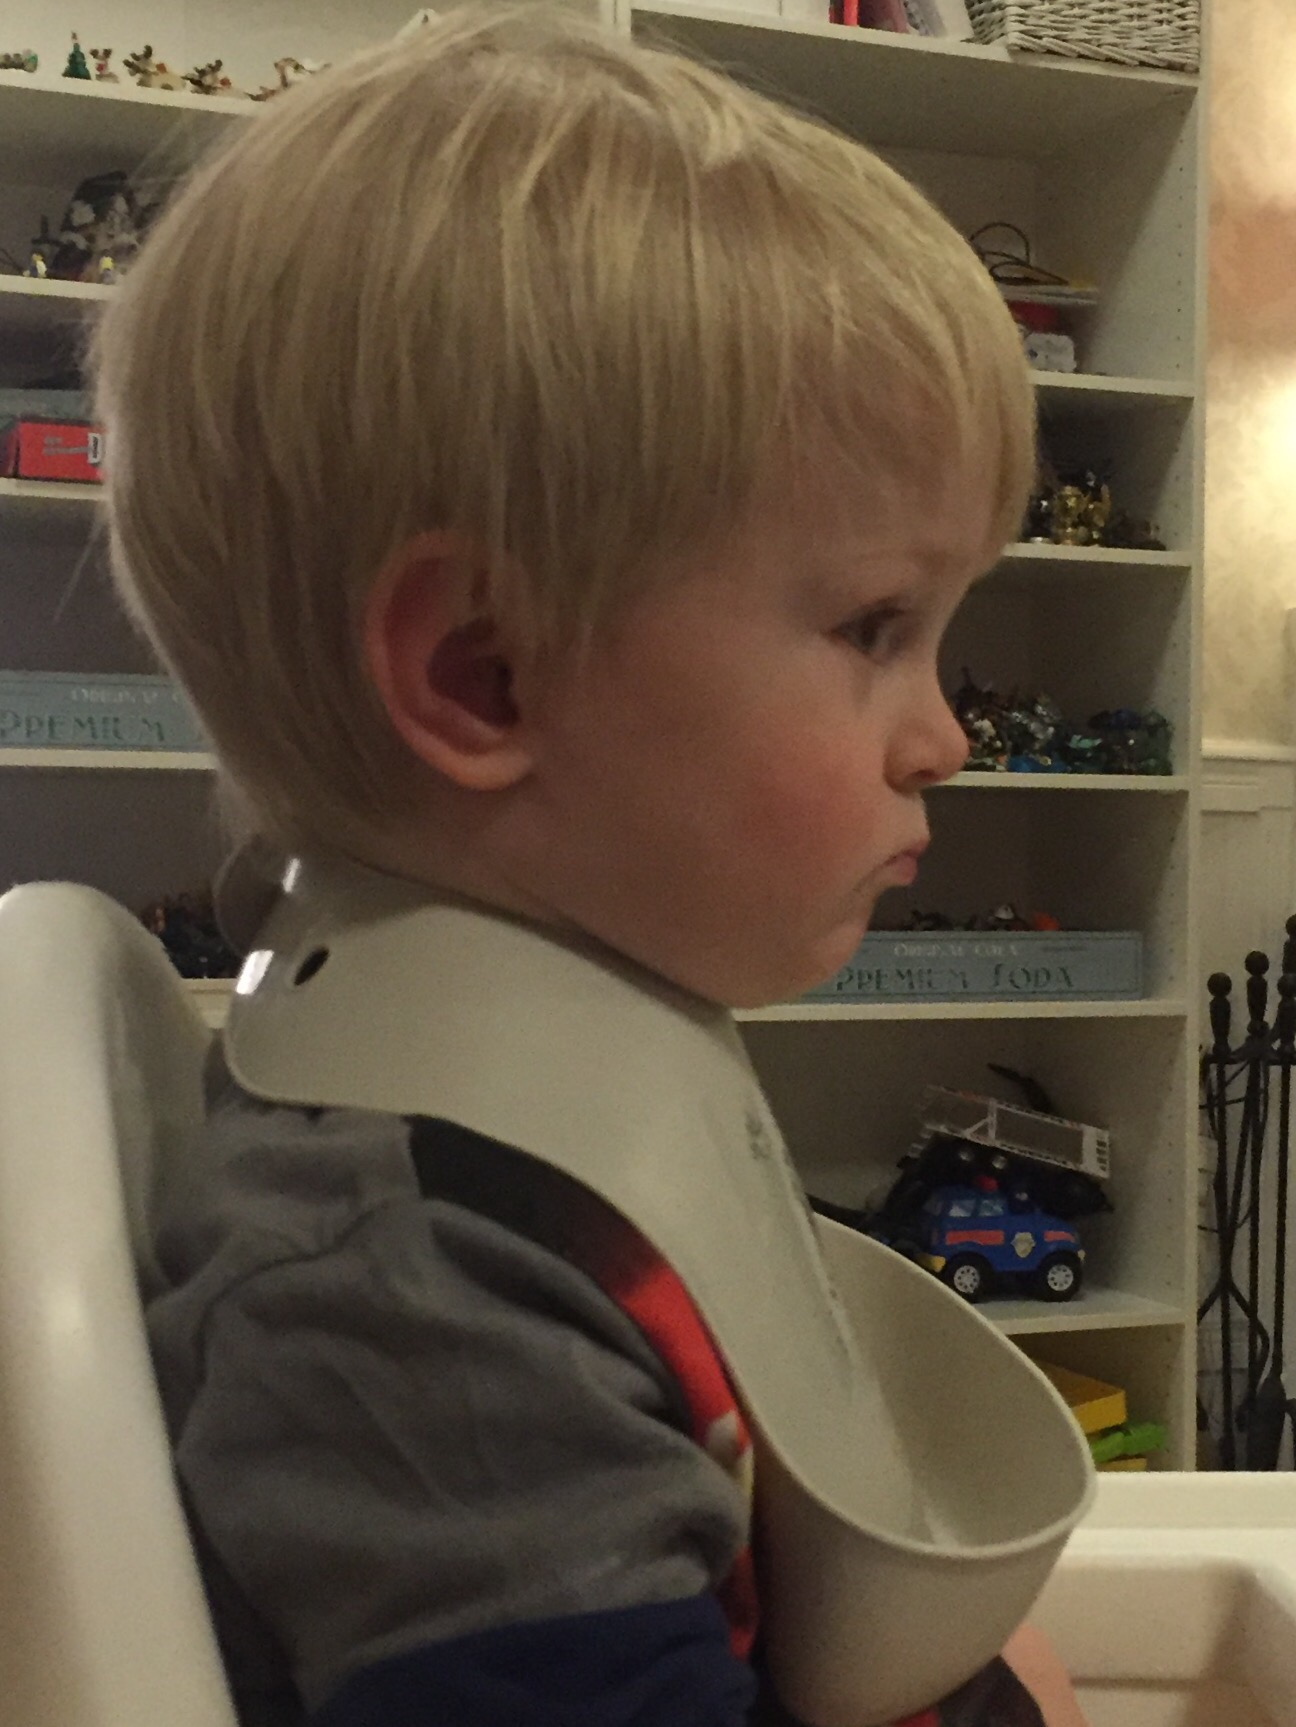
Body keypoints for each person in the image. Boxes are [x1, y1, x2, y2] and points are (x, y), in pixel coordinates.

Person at [92, 10, 1088, 1726]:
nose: (945, 737)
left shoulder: (523, 1165)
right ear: (485, 674)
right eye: (877, 626)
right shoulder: (418, 1309)